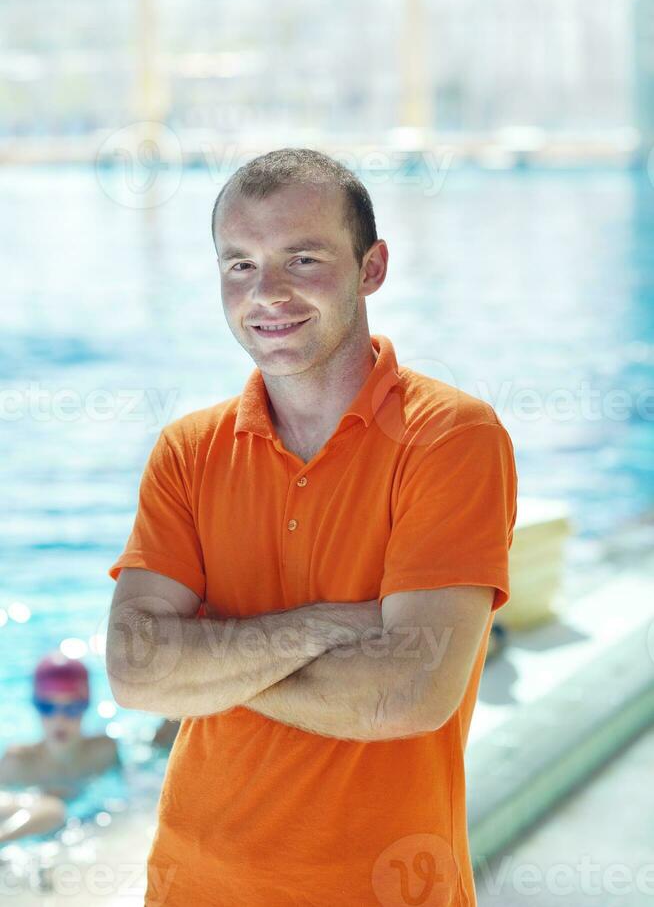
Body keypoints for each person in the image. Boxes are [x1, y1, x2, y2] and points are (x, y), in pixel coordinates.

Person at [106, 148, 518, 906]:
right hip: (190, 882)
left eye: (303, 258)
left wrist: (209, 668)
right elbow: (136, 673)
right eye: (240, 265)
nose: (269, 293)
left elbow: (409, 693)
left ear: (372, 268)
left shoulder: (450, 438)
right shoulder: (189, 451)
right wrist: (332, 625)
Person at [0, 652, 120, 802]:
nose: (59, 719)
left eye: (72, 708)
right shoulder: (17, 764)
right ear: (36, 706)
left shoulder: (103, 752)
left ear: (86, 706)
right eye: (47, 707)